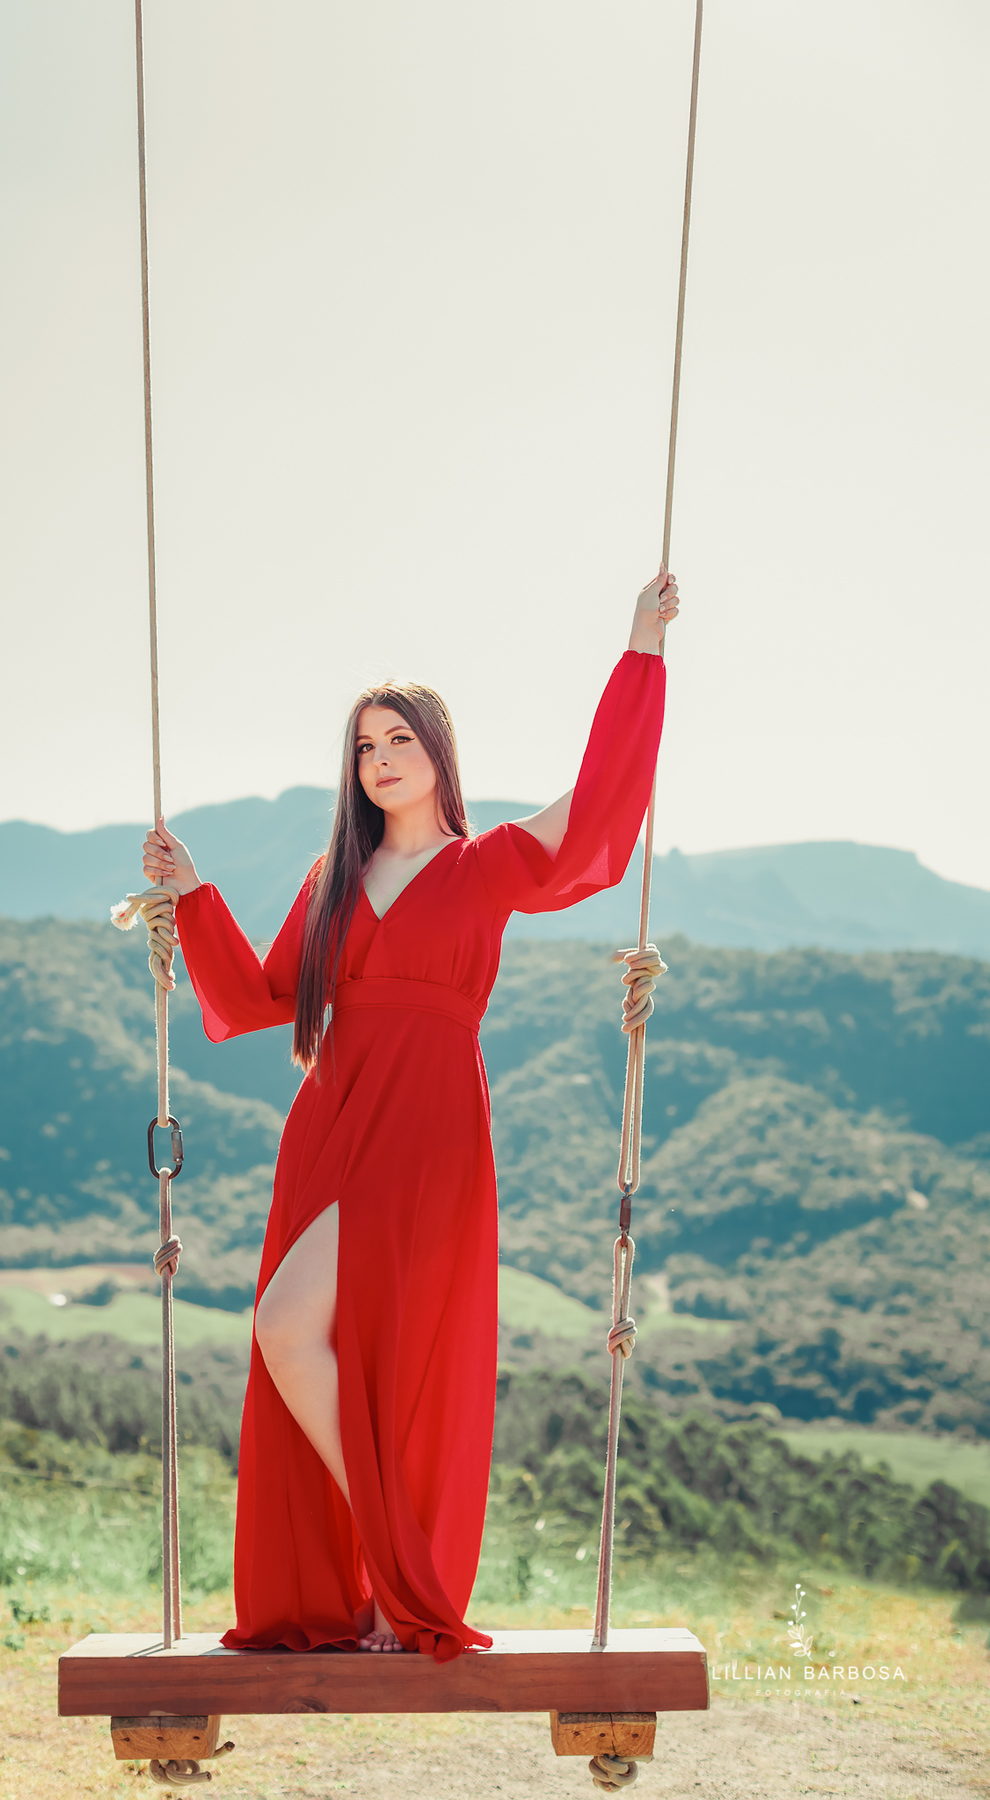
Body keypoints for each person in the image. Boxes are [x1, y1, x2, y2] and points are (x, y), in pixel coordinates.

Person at [141, 569, 679, 1659]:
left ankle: (402, 1577)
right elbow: (257, 999)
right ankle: (392, 1573)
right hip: (332, 1122)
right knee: (295, 1335)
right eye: (364, 747)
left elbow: (600, 815)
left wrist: (640, 651)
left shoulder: (486, 868)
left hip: (429, 1130)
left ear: (438, 754)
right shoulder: (330, 876)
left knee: (345, 1344)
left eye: (399, 741)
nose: (379, 761)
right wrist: (193, 895)